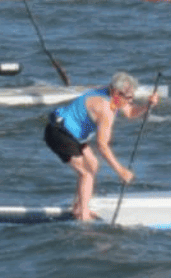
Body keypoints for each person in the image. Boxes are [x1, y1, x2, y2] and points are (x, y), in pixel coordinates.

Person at [43, 71, 160, 221]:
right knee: (86, 173)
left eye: (132, 96)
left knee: (93, 165)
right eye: (128, 97)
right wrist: (121, 171)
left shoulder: (114, 97)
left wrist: (147, 105)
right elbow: (102, 146)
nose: (130, 100)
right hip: (59, 133)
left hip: (75, 135)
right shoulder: (105, 108)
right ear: (115, 93)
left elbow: (130, 112)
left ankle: (78, 207)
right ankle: (83, 216)